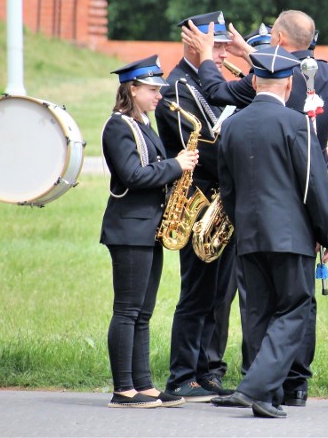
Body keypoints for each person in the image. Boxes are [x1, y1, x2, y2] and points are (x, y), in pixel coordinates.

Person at [184, 9, 328, 407]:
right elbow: (314, 184)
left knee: (257, 310)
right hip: (292, 228)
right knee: (295, 308)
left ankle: (258, 386)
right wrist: (326, 232)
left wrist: (237, 222)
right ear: (288, 82)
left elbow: (229, 185)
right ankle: (266, 388)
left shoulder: (232, 123)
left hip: (248, 229)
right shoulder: (310, 103)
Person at [100, 55, 197, 409]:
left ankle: (144, 384)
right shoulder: (118, 126)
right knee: (127, 310)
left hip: (147, 230)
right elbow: (133, 175)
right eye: (153, 89)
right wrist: (176, 165)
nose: (159, 95)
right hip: (128, 231)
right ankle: (122, 388)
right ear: (133, 88)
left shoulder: (141, 124)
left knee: (142, 311)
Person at [154, 12, 237, 402]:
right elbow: (199, 147)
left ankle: (205, 372)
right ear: (193, 42)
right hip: (196, 200)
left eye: (222, 45)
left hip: (217, 201)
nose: (221, 53)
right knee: (196, 293)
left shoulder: (202, 81)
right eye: (216, 45)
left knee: (217, 293)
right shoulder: (175, 89)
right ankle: (182, 375)